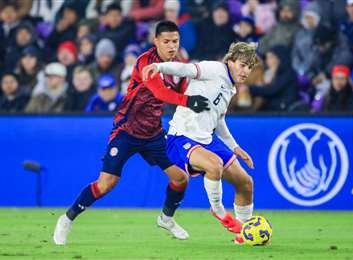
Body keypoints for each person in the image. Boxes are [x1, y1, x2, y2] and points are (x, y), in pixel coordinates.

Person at [53, 20, 209, 245]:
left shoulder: (179, 67)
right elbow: (160, 92)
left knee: (181, 178)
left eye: (175, 41)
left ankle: (166, 218)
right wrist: (188, 101)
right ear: (156, 42)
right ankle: (67, 219)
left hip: (154, 134)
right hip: (127, 130)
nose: (171, 46)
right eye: (166, 41)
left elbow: (186, 91)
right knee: (106, 183)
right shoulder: (145, 61)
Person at [142, 41, 258, 244]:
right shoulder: (214, 69)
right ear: (230, 61)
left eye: (250, 67)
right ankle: (217, 209)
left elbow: (219, 120)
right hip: (182, 136)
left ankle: (245, 234)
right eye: (242, 64)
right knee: (214, 165)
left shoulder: (231, 87)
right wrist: (158, 67)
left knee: (246, 183)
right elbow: (184, 69)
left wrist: (235, 147)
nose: (246, 71)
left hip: (207, 138)